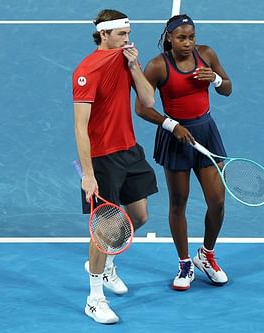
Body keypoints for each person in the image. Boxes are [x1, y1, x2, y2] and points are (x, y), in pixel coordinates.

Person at [72, 9, 158, 324]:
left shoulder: (125, 60)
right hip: (102, 159)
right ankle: (94, 299)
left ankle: (105, 264)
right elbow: (80, 127)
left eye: (129, 33)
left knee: (139, 216)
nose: (128, 39)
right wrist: (88, 174)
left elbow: (148, 101)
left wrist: (135, 65)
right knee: (106, 232)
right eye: (122, 34)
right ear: (104, 34)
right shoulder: (87, 71)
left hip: (129, 151)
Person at [135, 14, 232, 291]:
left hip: (207, 134)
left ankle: (207, 255)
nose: (188, 43)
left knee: (218, 201)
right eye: (181, 38)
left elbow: (228, 88)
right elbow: (141, 107)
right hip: (176, 137)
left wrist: (214, 78)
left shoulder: (207, 54)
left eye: (191, 37)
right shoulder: (157, 66)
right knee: (179, 203)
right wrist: (171, 124)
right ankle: (185, 263)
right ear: (169, 38)